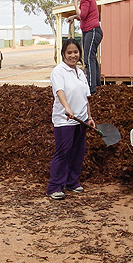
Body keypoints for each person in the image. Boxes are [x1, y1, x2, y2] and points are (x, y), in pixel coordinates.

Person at [46, 38, 95, 200]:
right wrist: (67, 107)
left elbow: (85, 97)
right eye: (69, 52)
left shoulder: (80, 72)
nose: (73, 55)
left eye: (76, 52)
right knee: (63, 152)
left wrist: (89, 117)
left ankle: (71, 182)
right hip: (64, 120)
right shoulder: (58, 71)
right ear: (63, 54)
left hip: (80, 119)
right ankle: (54, 187)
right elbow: (60, 91)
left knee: (77, 152)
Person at [67, 0, 103, 95]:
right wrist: (73, 17)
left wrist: (75, 4)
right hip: (90, 31)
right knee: (91, 57)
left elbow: (82, 15)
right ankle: (96, 84)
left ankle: (91, 88)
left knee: (88, 58)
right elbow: (83, 15)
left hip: (92, 31)